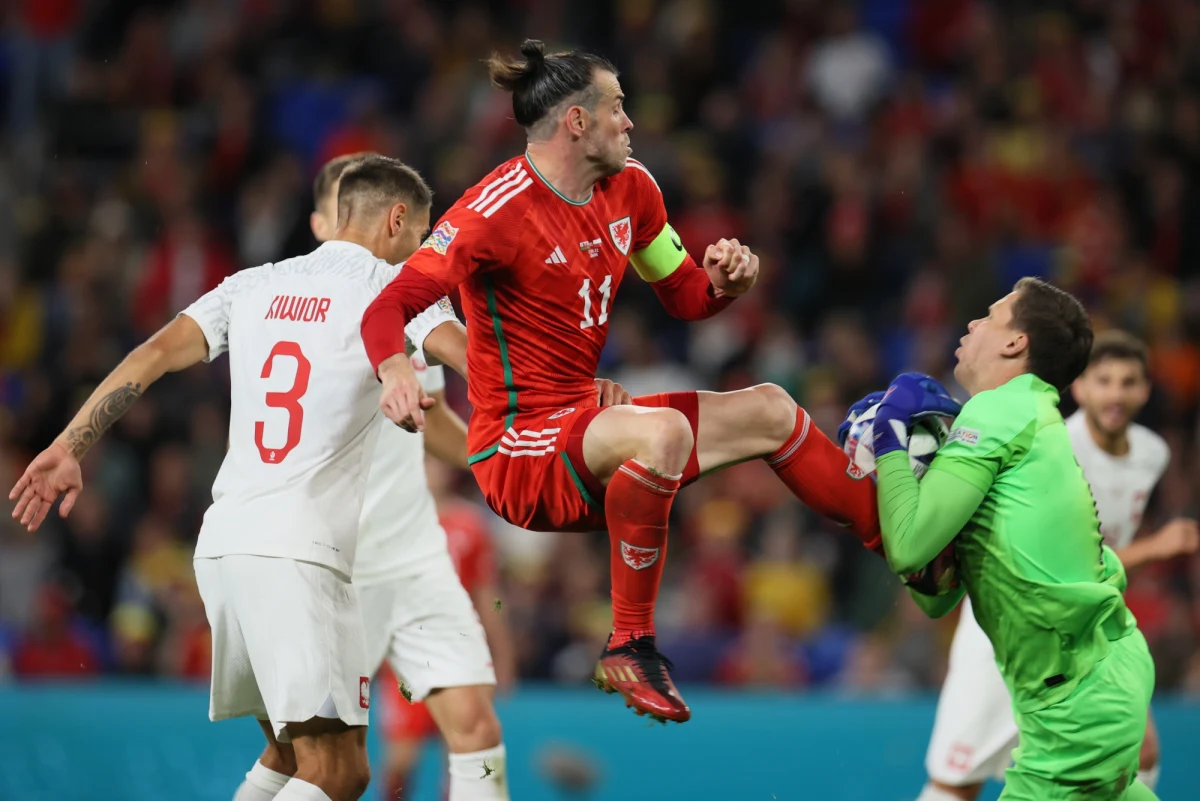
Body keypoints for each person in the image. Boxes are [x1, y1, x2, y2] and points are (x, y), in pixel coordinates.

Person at [359, 39, 888, 724]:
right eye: (617, 108)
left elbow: (685, 295)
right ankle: (630, 643)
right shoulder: (494, 209)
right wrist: (397, 366)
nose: (630, 123)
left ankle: (903, 540)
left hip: (587, 430)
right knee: (661, 432)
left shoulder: (632, 190)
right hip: (516, 453)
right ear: (576, 122)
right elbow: (387, 305)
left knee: (772, 409)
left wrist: (725, 285)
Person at [10, 156, 459, 801]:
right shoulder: (398, 287)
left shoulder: (251, 284)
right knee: (340, 772)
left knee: (286, 752)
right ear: (397, 221)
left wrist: (68, 442)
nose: (420, 251)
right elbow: (475, 360)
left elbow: (152, 354)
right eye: (419, 234)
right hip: (301, 555)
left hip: (224, 547)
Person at [854, 277, 1160, 800]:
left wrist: (888, 438)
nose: (973, 323)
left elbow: (907, 545)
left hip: (1075, 708)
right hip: (1091, 684)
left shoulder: (998, 412)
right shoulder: (1030, 413)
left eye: (990, 315)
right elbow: (937, 595)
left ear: (1014, 342)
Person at [286, 152, 514, 801]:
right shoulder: (291, 301)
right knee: (331, 768)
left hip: (410, 552)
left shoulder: (406, 302)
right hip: (332, 560)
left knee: (474, 727)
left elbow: (440, 409)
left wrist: (492, 450)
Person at [915, 330, 1198, 801]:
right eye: (1103, 380)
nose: (1116, 393)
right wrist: (1154, 548)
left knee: (1139, 753)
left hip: (1084, 628)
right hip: (1012, 625)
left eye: (1129, 382)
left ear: (1146, 391)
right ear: (1080, 388)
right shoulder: (1050, 445)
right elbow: (1058, 560)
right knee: (957, 780)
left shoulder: (1152, 453)